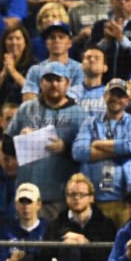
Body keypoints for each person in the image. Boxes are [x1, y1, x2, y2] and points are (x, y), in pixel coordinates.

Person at [5, 62, 86, 216]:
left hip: (59, 197)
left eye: (58, 80)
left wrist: (65, 148)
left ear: (67, 83)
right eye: (48, 80)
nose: (53, 84)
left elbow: (85, 154)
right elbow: (6, 146)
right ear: (41, 83)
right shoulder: (27, 108)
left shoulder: (79, 114)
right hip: (26, 196)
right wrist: (20, 140)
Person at [72, 78, 131, 228]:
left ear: (127, 100)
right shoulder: (90, 123)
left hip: (125, 202)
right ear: (104, 96)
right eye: (112, 94)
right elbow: (78, 152)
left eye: (121, 95)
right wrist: (118, 150)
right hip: (94, 202)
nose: (116, 99)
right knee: (98, 247)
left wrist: (97, 144)